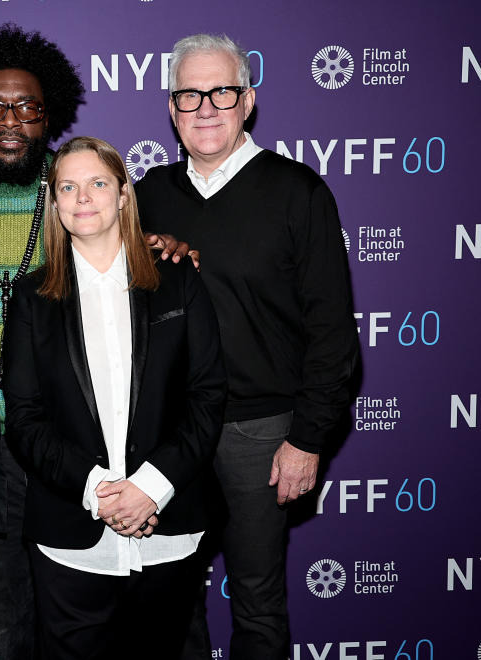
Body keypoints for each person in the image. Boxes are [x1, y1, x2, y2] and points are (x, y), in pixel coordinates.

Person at [0, 24, 192, 658]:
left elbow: (136, 271)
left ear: (50, 119)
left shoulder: (79, 188)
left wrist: (163, 242)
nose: (11, 121)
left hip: (77, 454)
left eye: (27, 107)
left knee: (96, 632)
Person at [136, 34, 360, 660]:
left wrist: (308, 438)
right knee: (171, 597)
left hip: (262, 433)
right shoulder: (147, 195)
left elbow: (333, 331)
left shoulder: (298, 192)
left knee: (258, 603)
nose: (206, 108)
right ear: (171, 107)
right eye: (189, 95)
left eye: (222, 92)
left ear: (248, 101)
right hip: (171, 433)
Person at [2, 137, 227, 660]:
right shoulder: (31, 299)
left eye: (98, 182)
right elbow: (25, 419)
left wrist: (151, 486)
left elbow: (207, 395)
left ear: (124, 195)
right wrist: (102, 490)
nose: (83, 196)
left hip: (170, 526)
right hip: (70, 538)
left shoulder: (178, 281)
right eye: (68, 186)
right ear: (54, 202)